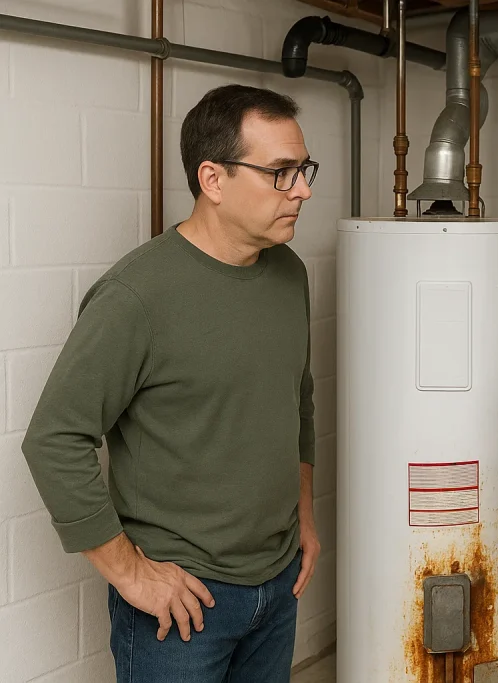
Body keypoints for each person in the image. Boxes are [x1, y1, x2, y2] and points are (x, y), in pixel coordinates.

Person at [21, 84, 323, 682]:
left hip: (278, 582)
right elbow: (54, 439)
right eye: (281, 173)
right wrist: (131, 573)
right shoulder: (136, 297)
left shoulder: (289, 272)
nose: (304, 191)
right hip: (184, 604)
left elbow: (298, 400)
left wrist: (304, 515)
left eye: (304, 169)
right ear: (213, 180)